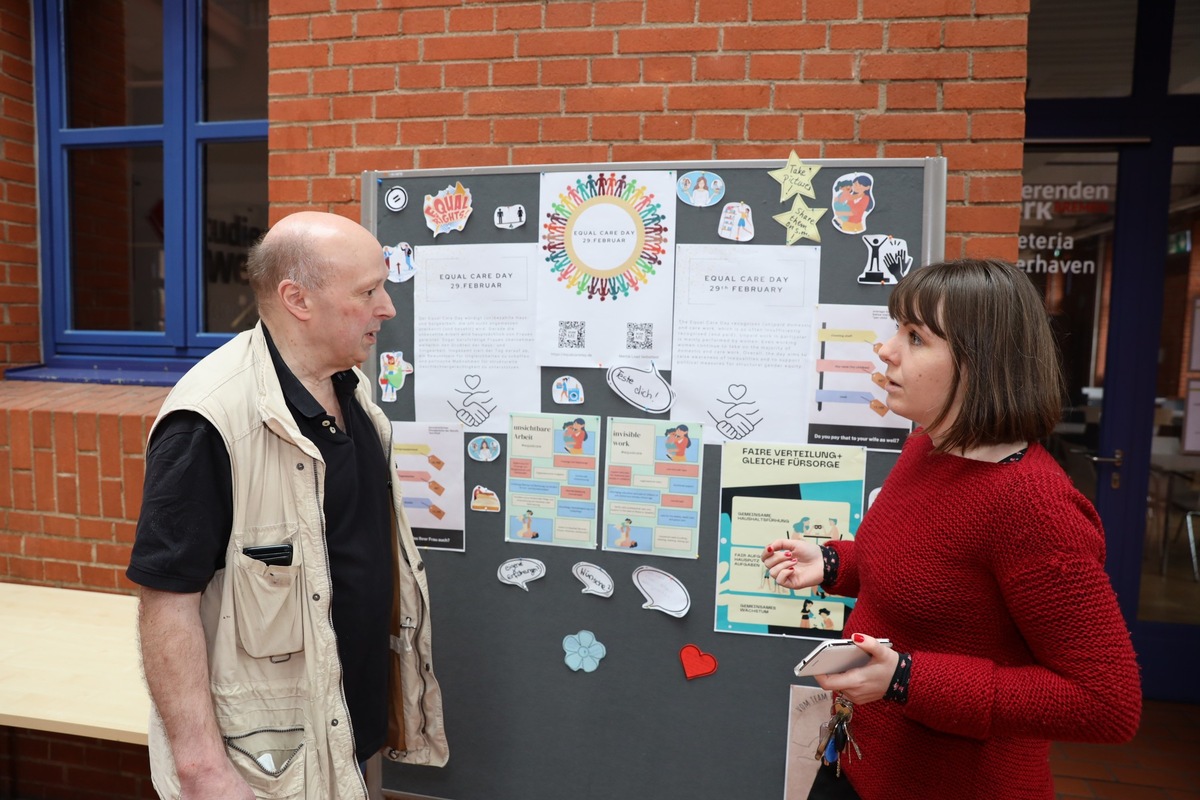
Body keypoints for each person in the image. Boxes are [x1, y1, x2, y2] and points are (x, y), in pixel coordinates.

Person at [761, 258, 1140, 800]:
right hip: (860, 763)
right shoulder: (928, 447)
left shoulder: (1035, 506)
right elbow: (922, 566)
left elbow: (1106, 703)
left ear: (980, 362)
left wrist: (908, 681)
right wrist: (838, 562)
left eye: (914, 337)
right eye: (897, 329)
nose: (886, 350)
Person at [127, 211, 448, 800]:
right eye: (369, 291)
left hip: (346, 743)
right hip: (267, 771)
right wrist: (202, 770)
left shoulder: (354, 392)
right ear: (297, 299)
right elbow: (166, 602)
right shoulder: (209, 423)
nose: (388, 308)